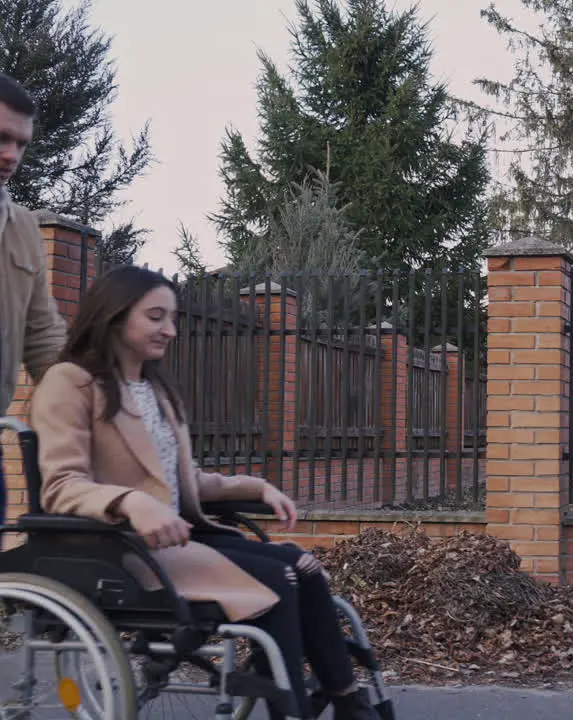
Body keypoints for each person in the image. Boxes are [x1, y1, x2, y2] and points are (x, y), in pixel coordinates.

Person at [28, 265, 379, 720]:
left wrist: (257, 487)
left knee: (304, 566)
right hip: (120, 548)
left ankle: (350, 701)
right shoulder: (69, 382)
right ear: (114, 316)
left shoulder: (155, 389)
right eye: (155, 317)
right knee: (280, 579)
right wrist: (130, 502)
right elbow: (61, 487)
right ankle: (290, 709)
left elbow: (182, 479)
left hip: (182, 536)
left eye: (173, 318)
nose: (170, 330)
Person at [0, 73, 68, 480]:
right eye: (2, 138)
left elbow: (43, 335)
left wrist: (90, 396)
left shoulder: (23, 228)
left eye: (21, 144)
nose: (11, 155)